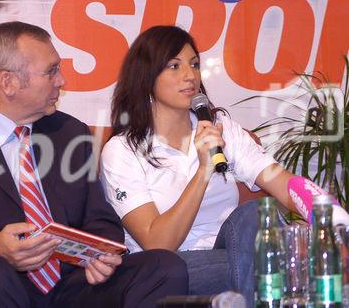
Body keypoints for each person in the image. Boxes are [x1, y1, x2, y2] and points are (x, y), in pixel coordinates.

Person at [0, 21, 189, 308]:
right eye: (51, 71)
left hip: (69, 281)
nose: (62, 81)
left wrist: (100, 254)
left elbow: (101, 220)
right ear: (8, 82)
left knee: (163, 267)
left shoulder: (69, 133)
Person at [99, 25, 300, 308]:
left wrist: (331, 216)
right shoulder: (123, 150)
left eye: (194, 64)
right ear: (146, 77)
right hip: (169, 269)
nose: (190, 75)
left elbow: (283, 183)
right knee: (271, 266)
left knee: (256, 213)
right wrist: (204, 170)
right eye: (174, 66)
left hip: (229, 251)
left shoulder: (222, 129)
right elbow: (158, 244)